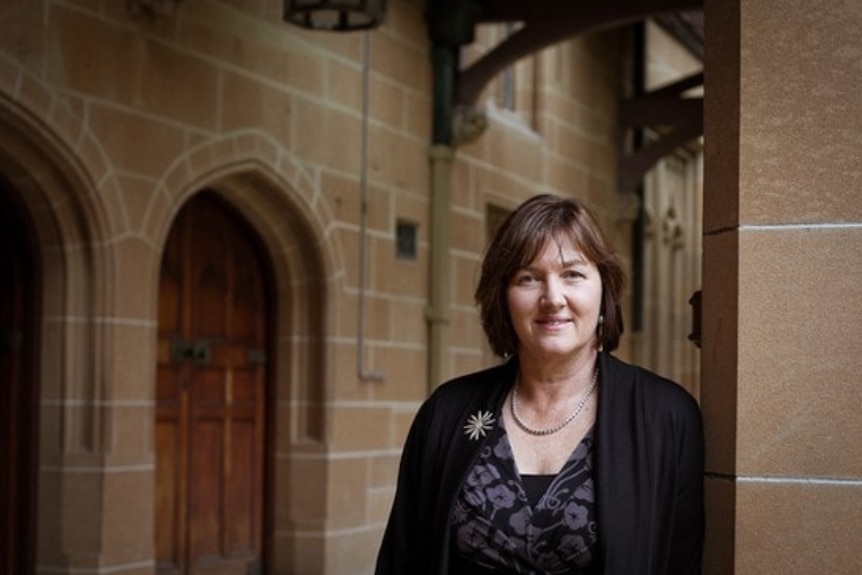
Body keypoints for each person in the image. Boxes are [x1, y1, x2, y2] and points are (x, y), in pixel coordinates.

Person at [375, 193, 704, 575]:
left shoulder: (666, 417)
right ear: (503, 297)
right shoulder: (446, 412)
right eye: (528, 278)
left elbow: (682, 562)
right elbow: (402, 559)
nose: (552, 298)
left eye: (573, 275)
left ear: (604, 292)